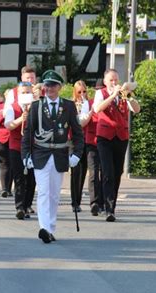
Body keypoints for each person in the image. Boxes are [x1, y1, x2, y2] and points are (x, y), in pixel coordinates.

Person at [21, 70, 84, 243]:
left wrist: (77, 155)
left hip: (60, 154)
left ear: (59, 87)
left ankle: (51, 227)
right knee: (43, 192)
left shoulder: (69, 106)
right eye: (47, 85)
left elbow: (78, 133)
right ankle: (44, 228)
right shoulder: (36, 106)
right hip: (40, 153)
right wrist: (26, 156)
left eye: (53, 85)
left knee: (54, 194)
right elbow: (28, 134)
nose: (49, 88)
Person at [93, 69, 140, 222]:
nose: (114, 83)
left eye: (116, 80)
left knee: (117, 172)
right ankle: (108, 208)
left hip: (121, 137)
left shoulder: (124, 94)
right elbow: (97, 109)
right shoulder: (101, 93)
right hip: (104, 137)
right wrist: (112, 95)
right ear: (105, 82)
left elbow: (137, 109)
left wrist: (128, 96)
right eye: (111, 80)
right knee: (107, 173)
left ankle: (111, 204)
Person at [5, 81, 36, 220]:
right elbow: (8, 125)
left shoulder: (36, 107)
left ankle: (27, 205)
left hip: (33, 146)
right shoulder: (12, 107)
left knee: (31, 178)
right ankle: (19, 207)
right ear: (18, 94)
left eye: (28, 92)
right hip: (16, 146)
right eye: (23, 92)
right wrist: (20, 119)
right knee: (19, 177)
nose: (26, 95)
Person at [69, 80, 92, 213]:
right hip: (74, 140)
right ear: (75, 92)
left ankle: (78, 201)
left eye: (84, 91)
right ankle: (74, 202)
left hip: (86, 139)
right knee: (75, 171)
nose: (82, 94)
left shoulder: (89, 103)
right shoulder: (71, 104)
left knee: (83, 171)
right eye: (79, 92)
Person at [86, 80, 105, 216]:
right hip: (91, 142)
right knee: (93, 173)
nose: (99, 90)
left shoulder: (109, 102)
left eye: (101, 88)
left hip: (105, 141)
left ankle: (103, 203)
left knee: (105, 173)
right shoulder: (89, 103)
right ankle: (94, 203)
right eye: (97, 89)